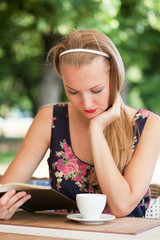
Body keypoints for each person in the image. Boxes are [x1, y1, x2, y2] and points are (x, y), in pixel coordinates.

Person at [0, 29, 160, 220]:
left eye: (96, 90)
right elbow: (6, 189)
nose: (86, 104)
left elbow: (121, 207)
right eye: (73, 91)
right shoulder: (50, 119)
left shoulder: (148, 125)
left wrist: (96, 130)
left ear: (115, 78)